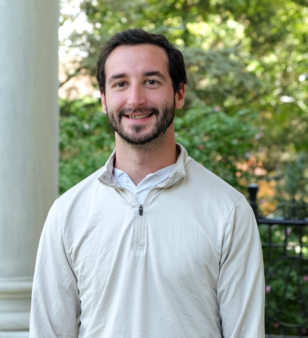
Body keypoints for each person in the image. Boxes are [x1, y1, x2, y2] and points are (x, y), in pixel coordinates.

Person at [30, 28, 265, 338]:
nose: (135, 99)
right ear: (103, 99)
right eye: (120, 84)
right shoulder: (67, 214)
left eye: (151, 82)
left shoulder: (229, 211)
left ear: (179, 94)